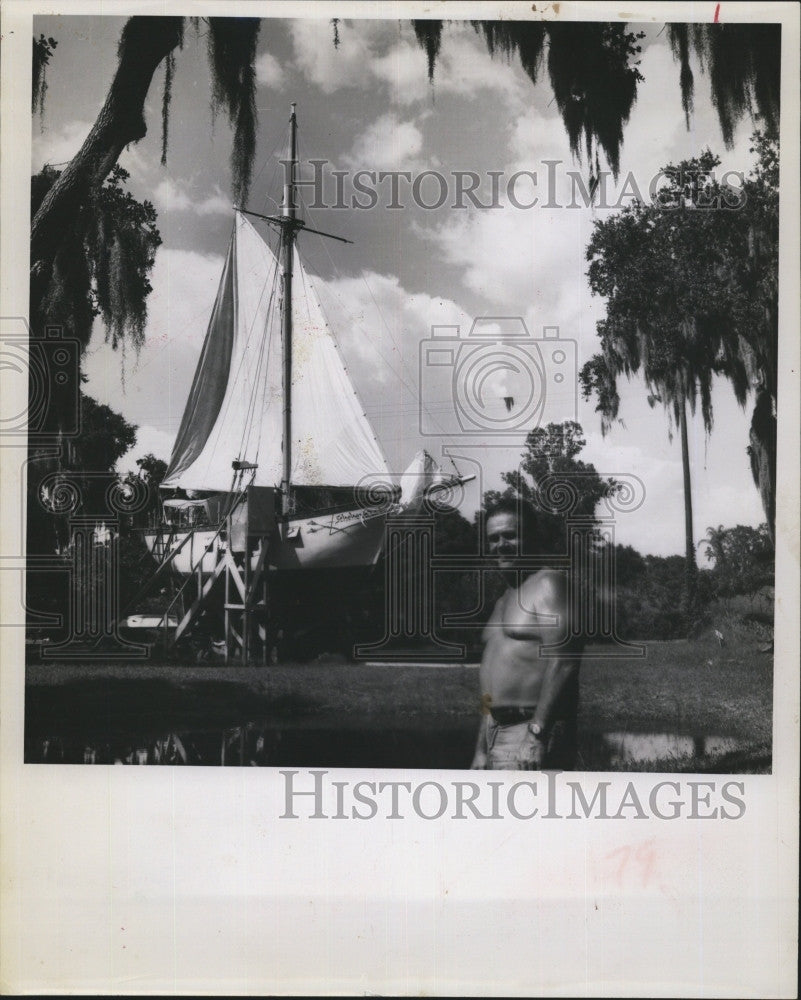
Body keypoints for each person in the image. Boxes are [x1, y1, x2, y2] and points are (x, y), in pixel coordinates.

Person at [471, 498, 583, 770]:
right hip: (495, 732)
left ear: (532, 538)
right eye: (494, 538)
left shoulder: (549, 583)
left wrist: (537, 734)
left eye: (510, 536)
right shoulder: (502, 601)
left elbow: (565, 660)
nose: (501, 545)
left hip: (529, 732)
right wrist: (481, 749)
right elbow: (489, 681)